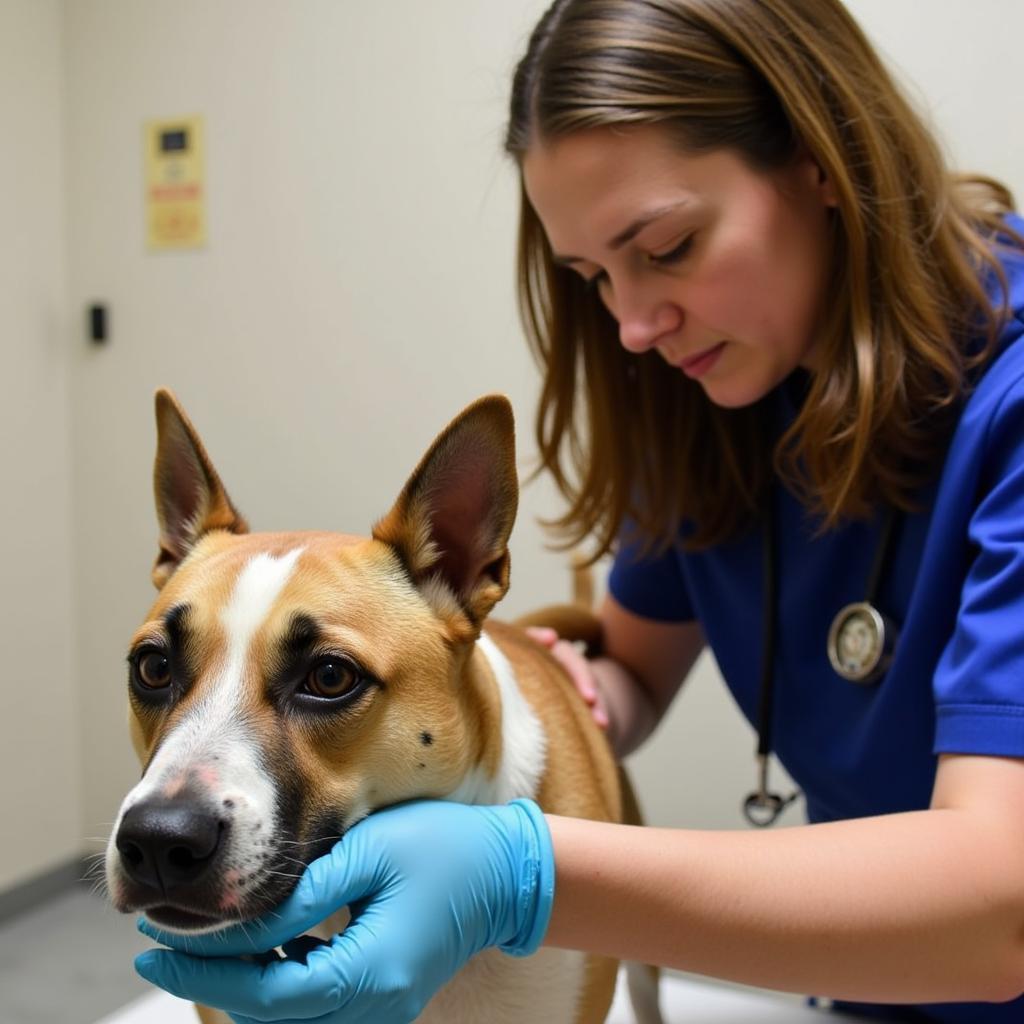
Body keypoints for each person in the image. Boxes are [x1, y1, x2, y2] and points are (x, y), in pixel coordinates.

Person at [132, 1, 1024, 1021]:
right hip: (878, 995)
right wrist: (515, 692)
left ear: (817, 153)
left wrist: (522, 874)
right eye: (592, 275)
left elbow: (1002, 908)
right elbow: (629, 675)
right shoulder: (722, 400)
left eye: (669, 245)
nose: (634, 325)